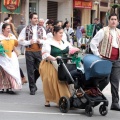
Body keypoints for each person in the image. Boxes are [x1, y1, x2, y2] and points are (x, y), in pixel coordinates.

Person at [39, 26, 79, 107]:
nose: (62, 35)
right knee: (53, 82)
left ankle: (68, 98)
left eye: (62, 33)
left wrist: (76, 50)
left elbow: (71, 49)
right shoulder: (48, 42)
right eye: (60, 33)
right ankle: (52, 99)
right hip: (50, 63)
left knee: (67, 80)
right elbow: (45, 54)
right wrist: (54, 58)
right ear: (54, 33)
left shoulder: (64, 42)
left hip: (64, 64)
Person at [90, 13, 120, 111]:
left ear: (118, 21)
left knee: (115, 82)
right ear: (108, 20)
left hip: (116, 60)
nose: (113, 21)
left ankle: (115, 103)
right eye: (112, 19)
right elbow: (93, 43)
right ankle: (94, 97)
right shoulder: (103, 31)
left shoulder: (119, 32)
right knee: (105, 80)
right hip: (105, 60)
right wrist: (98, 55)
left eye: (115, 19)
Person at [18, 12, 47, 95]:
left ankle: (32, 82)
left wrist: (40, 41)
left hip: (38, 51)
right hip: (29, 51)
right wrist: (28, 42)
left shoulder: (41, 29)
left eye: (37, 18)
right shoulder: (25, 28)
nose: (36, 19)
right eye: (34, 18)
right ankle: (32, 88)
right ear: (30, 19)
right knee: (30, 70)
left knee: (40, 69)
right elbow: (19, 40)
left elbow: (46, 40)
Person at [0, 23, 22, 94]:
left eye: (9, 28)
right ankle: (2, 87)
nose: (9, 30)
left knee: (11, 71)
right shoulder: (0, 37)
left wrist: (19, 41)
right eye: (7, 28)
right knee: (3, 72)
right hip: (2, 56)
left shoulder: (12, 36)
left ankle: (11, 87)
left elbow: (16, 44)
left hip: (11, 56)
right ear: (3, 29)